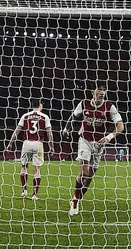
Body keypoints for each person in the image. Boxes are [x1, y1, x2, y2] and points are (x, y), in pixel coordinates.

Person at [63, 83, 124, 216]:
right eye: (99, 90)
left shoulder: (109, 106)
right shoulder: (84, 103)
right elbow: (73, 116)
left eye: (104, 90)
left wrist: (109, 136)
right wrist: (66, 128)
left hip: (99, 144)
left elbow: (120, 126)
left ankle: (78, 197)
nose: (102, 92)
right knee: (86, 172)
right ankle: (75, 199)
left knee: (90, 176)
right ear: (92, 92)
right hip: (84, 140)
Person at [5, 99, 54, 200]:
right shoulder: (44, 117)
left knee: (24, 166)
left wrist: (10, 143)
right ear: (40, 105)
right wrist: (51, 146)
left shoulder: (25, 116)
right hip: (38, 144)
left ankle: (24, 191)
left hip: (26, 143)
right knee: (37, 169)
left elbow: (17, 131)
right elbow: (49, 133)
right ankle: (35, 195)